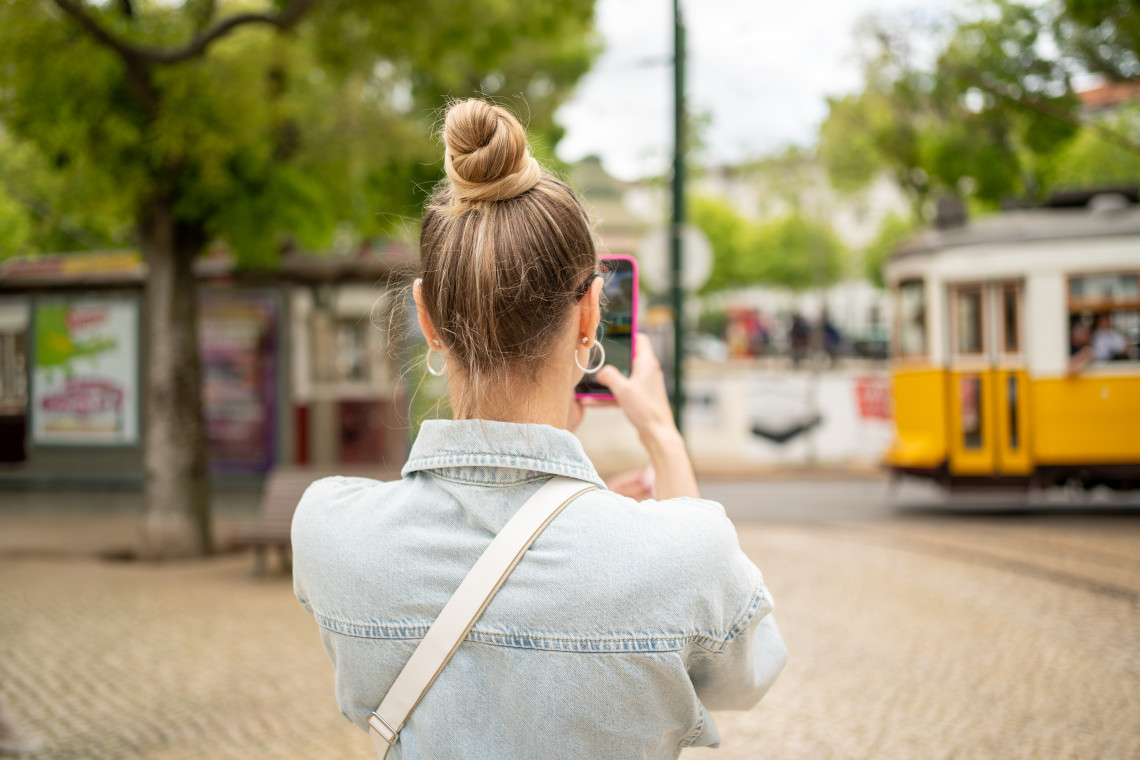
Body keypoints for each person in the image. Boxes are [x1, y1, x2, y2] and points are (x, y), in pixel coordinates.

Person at [291, 99, 786, 759]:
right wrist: (664, 439)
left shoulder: (330, 530)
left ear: (427, 318)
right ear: (589, 318)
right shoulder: (685, 551)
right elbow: (745, 679)